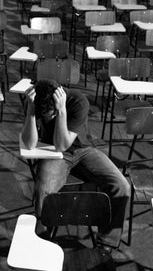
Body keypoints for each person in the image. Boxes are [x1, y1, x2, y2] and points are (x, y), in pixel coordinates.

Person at [21, 79, 130, 249]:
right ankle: (42, 243)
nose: (49, 118)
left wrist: (62, 111)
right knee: (43, 192)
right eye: (47, 116)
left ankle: (107, 242)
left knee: (121, 185)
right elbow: (30, 144)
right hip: (54, 153)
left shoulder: (78, 101)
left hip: (82, 150)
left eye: (52, 114)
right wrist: (31, 112)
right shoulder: (35, 101)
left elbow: (64, 143)